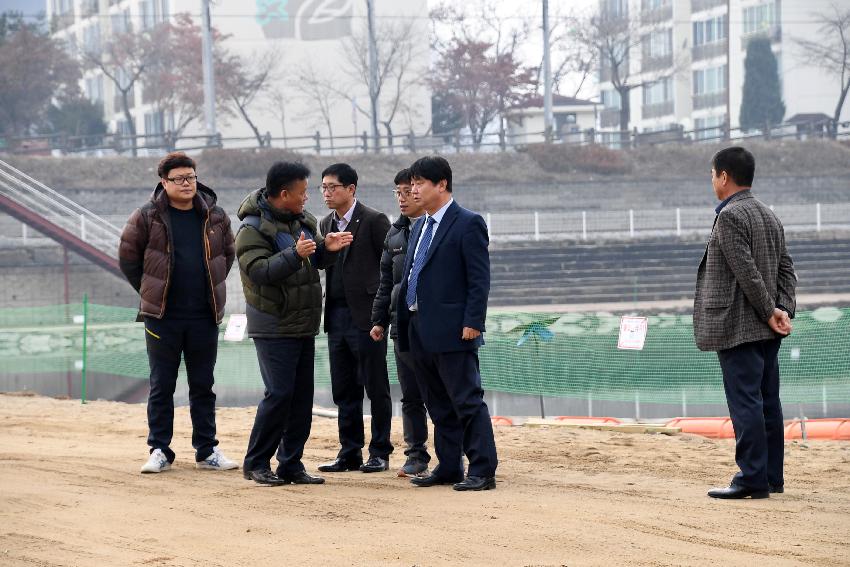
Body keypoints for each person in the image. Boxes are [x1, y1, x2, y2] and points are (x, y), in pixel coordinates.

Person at [118, 151, 238, 474]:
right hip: (163, 317)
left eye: (191, 177)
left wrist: (209, 286)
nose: (187, 184)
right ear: (164, 182)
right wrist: (151, 291)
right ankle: (159, 448)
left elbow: (228, 255)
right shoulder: (146, 217)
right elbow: (128, 258)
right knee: (162, 384)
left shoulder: (215, 216)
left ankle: (207, 450)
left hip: (204, 315)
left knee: (203, 384)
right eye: (179, 179)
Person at [236, 161, 353, 486]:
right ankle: (257, 462)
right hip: (273, 323)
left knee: (301, 397)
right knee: (279, 394)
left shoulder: (304, 221)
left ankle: (291, 463)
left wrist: (326, 250)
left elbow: (313, 261)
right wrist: (295, 256)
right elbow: (258, 271)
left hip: (303, 322)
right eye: (301, 193)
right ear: (283, 194)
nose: (307, 198)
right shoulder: (251, 228)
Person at [694, 147, 797, 500]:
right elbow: (787, 270)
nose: (712, 180)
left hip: (739, 326)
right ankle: (771, 477)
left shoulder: (731, 217)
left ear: (724, 176)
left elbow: (747, 273)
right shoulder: (769, 215)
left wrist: (770, 310)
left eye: (712, 174)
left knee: (746, 403)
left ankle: (751, 477)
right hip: (768, 328)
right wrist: (782, 308)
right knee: (768, 401)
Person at [396, 156, 498, 491]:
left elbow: (478, 279)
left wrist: (473, 321)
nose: (413, 189)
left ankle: (482, 470)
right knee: (437, 404)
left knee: (466, 400)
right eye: (412, 183)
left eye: (420, 183)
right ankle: (450, 466)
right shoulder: (421, 225)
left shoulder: (468, 223)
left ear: (441, 184)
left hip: (454, 329)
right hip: (417, 327)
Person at [317, 163, 394, 474]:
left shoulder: (374, 220)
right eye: (323, 187)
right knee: (344, 388)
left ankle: (380, 452)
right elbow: (322, 264)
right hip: (336, 316)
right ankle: (349, 451)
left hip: (367, 317)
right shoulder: (324, 224)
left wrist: (382, 315)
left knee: (375, 387)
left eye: (333, 186)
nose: (326, 192)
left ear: (351, 189)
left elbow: (390, 266)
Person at [370, 168, 431, 477]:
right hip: (401, 327)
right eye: (398, 193)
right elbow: (385, 283)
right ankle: (416, 454)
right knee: (410, 395)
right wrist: (379, 320)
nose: (403, 198)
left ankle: (454, 452)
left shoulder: (437, 229)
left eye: (408, 191)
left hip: (433, 326)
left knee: (442, 393)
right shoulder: (394, 234)